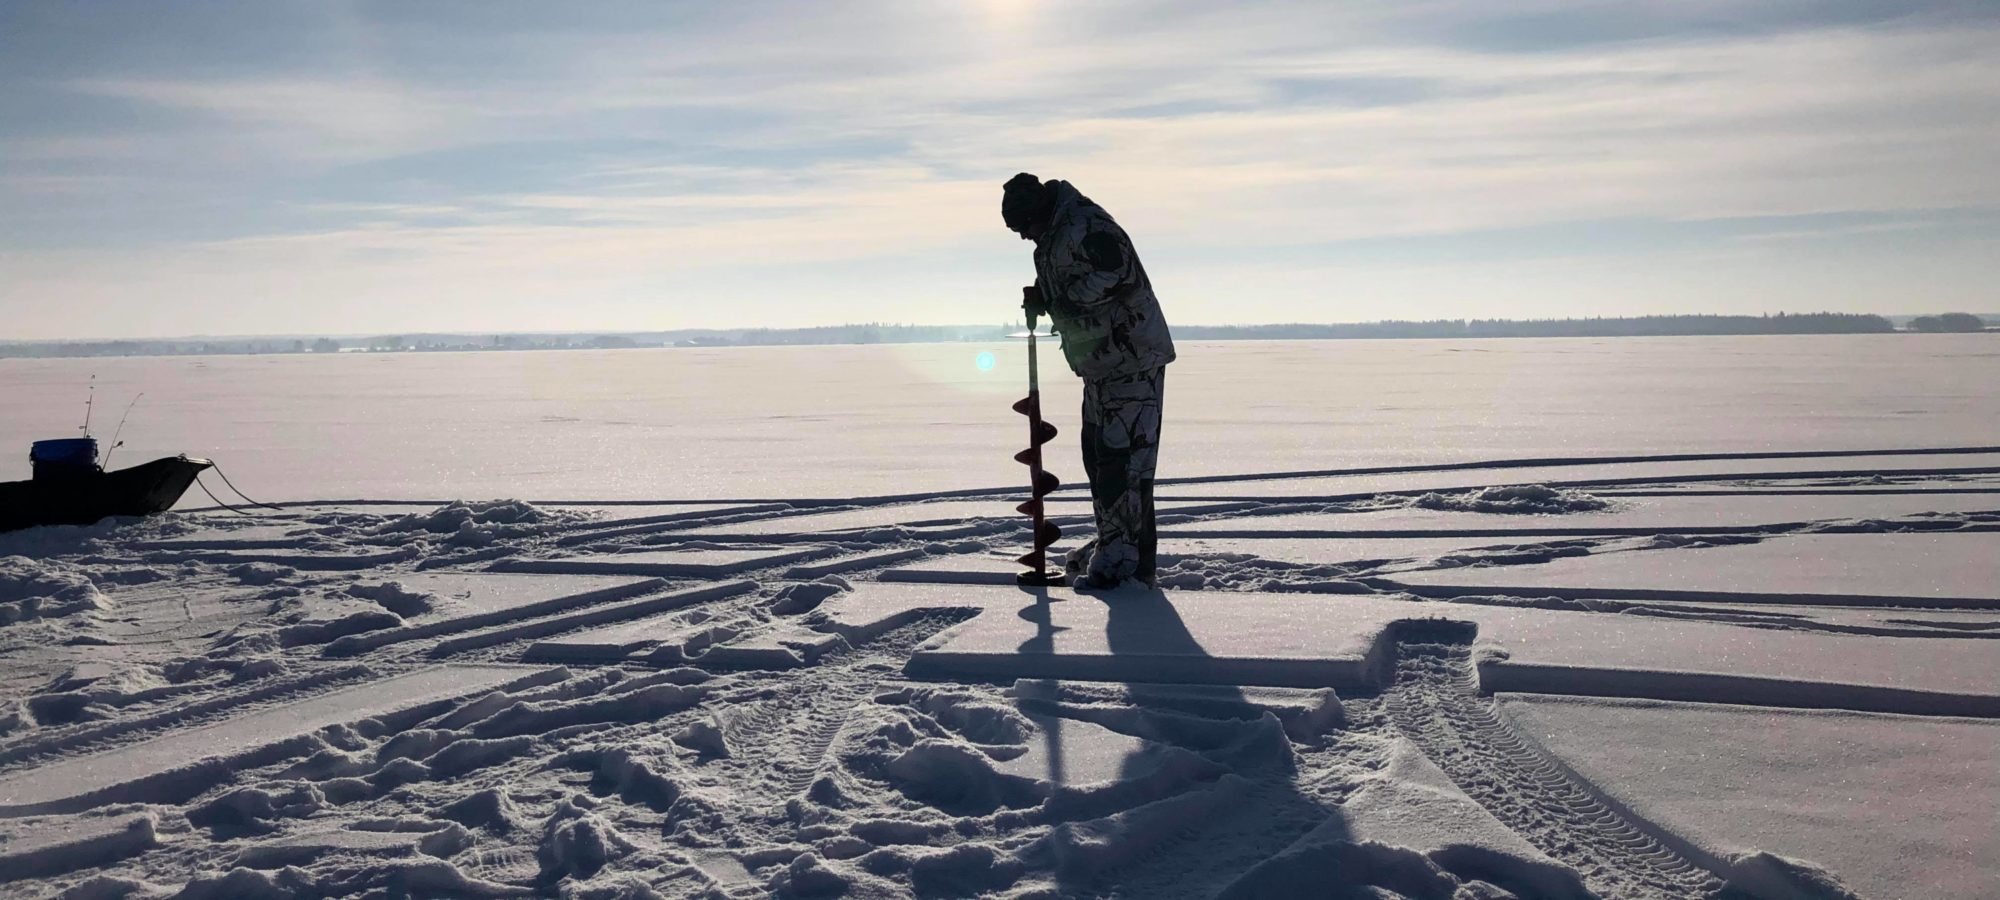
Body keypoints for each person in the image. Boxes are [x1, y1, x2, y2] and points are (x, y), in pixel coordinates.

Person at [1001, 172, 1175, 589]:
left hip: (1130, 359)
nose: (1025, 237)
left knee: (1124, 462)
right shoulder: (1055, 235)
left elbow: (1118, 274)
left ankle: (1124, 562)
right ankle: (1119, 547)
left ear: (1039, 212)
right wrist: (1044, 293)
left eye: (1024, 227)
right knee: (1100, 458)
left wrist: (1060, 299)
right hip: (1102, 364)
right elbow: (1075, 279)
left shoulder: (1087, 225)